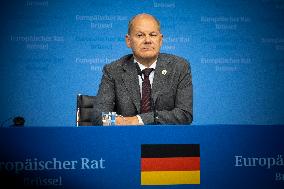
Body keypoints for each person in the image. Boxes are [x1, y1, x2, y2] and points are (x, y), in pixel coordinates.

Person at [93, 13, 193, 126]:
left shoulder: (179, 67)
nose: (147, 40)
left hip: (166, 139)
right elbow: (99, 116)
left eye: (153, 35)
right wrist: (119, 121)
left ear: (160, 40)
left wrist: (139, 120)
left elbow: (185, 114)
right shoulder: (113, 70)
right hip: (126, 139)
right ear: (128, 41)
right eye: (140, 35)